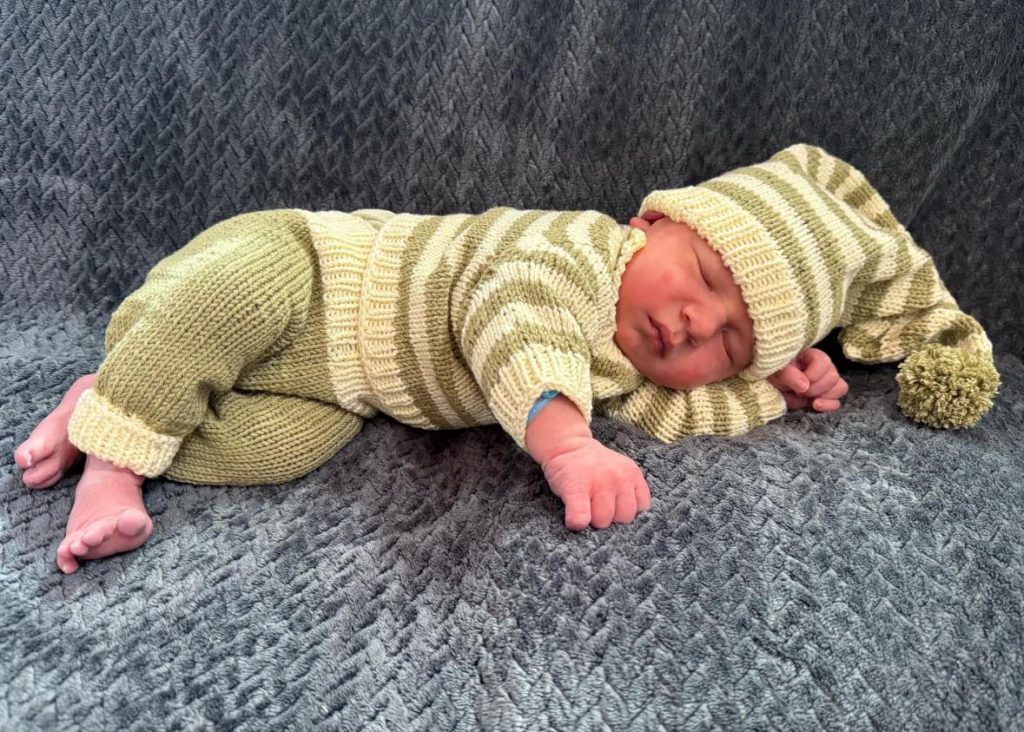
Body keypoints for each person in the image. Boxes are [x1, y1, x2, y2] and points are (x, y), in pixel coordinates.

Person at [13, 143, 1000, 574]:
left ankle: (109, 399)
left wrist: (770, 390)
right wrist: (566, 446)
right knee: (234, 300)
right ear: (650, 223)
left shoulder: (639, 368)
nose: (690, 324)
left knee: (281, 450)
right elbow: (511, 319)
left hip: (343, 388)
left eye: (730, 339)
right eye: (702, 275)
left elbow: (680, 412)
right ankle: (113, 466)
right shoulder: (576, 253)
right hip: (314, 270)